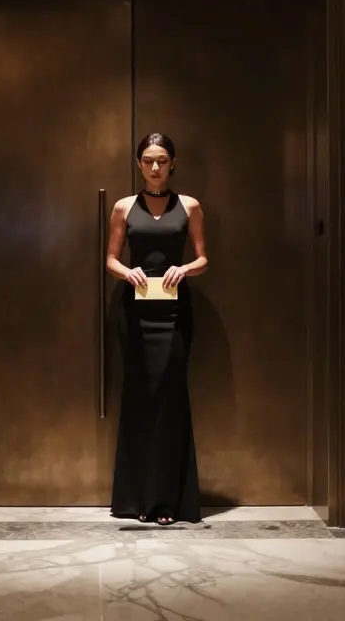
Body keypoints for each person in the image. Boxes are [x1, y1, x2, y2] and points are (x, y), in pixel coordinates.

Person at [105, 132, 208, 526]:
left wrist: (184, 268)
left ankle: (169, 501)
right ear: (138, 164)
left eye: (162, 161)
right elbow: (110, 259)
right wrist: (126, 270)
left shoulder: (191, 206)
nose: (154, 168)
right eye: (148, 160)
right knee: (139, 397)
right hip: (134, 311)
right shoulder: (123, 207)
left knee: (170, 398)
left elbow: (203, 257)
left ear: (173, 163)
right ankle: (137, 499)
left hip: (174, 311)